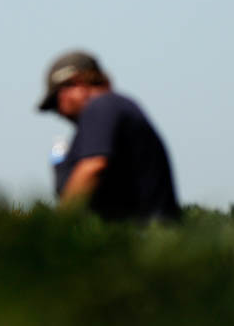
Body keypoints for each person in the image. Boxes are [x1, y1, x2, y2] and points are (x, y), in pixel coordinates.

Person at [36, 50, 180, 222]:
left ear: (76, 84)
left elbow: (92, 167)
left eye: (55, 103)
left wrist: (57, 227)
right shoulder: (117, 108)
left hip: (139, 237)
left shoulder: (101, 106)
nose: (59, 113)